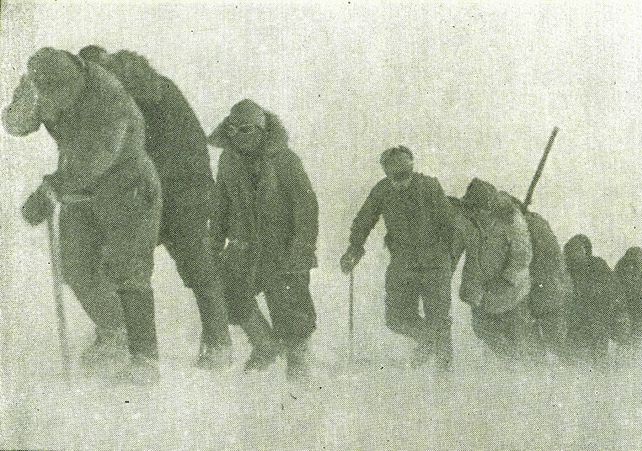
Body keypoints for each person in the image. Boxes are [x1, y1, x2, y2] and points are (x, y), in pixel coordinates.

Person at [3, 47, 162, 384]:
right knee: (75, 267)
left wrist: (52, 189)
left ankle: (145, 360)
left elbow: (100, 154)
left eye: (61, 97)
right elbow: (16, 126)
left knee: (127, 270)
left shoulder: (108, 95)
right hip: (78, 187)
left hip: (127, 184)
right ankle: (114, 331)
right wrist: (28, 97)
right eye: (50, 97)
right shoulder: (44, 86)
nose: (56, 107)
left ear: (75, 82)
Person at [77, 46, 232, 371]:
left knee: (195, 265)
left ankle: (218, 344)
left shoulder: (141, 94)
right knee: (110, 261)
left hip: (182, 192)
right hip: (153, 191)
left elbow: (175, 149)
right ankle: (116, 335)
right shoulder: (120, 96)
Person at [208, 99, 318, 380]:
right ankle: (264, 345)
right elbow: (220, 205)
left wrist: (302, 248)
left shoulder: (284, 159)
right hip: (243, 246)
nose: (236, 136)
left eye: (244, 130)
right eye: (231, 130)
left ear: (260, 130)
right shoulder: (229, 160)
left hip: (282, 247)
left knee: (290, 310)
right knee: (225, 293)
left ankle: (298, 367)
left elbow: (305, 205)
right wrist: (213, 245)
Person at [340, 146, 454, 370]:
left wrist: (446, 259)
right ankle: (430, 342)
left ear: (411, 169)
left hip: (434, 262)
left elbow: (449, 224)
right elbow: (364, 219)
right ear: (386, 174)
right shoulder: (382, 191)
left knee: (438, 318)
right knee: (396, 318)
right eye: (394, 176)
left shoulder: (430, 186)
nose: (399, 181)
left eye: (404, 175)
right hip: (403, 262)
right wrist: (354, 248)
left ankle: (444, 372)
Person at [454, 179, 533, 357]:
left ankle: (520, 369)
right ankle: (508, 363)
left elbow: (522, 255)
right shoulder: (467, 220)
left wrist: (507, 280)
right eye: (472, 207)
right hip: (481, 292)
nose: (476, 212)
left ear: (489, 206)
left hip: (512, 292)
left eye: (480, 208)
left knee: (516, 337)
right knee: (483, 330)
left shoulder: (510, 219)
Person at [563, 234, 624, 362]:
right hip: (575, 323)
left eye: (578, 250)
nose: (574, 254)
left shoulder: (597, 266)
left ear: (586, 250)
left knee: (597, 360)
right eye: (571, 250)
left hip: (597, 322)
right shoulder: (566, 269)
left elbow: (614, 290)